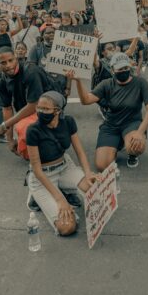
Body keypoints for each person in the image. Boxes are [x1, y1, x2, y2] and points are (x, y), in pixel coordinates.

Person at [26, 91, 97, 236]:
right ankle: (42, 195)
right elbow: (37, 170)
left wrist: (88, 173)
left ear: (58, 110)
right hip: (43, 176)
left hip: (65, 167)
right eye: (39, 108)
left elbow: (80, 151)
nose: (40, 111)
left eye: (46, 109)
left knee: (94, 190)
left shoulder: (68, 122)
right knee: (67, 227)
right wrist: (60, 200)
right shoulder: (33, 130)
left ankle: (62, 190)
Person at [73, 52, 148, 170]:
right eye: (120, 68)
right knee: (102, 166)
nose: (124, 71)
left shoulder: (140, 83)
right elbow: (86, 100)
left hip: (132, 124)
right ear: (112, 70)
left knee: (136, 146)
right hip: (111, 126)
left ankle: (132, 154)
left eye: (126, 67)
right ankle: (117, 144)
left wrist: (140, 132)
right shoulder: (106, 84)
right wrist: (78, 81)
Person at [0, 47, 55, 155]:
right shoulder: (1, 80)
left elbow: (34, 105)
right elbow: (7, 108)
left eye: (11, 60)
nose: (8, 65)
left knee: (26, 129)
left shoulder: (30, 71)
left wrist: (5, 125)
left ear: (16, 59)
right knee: (24, 148)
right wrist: (10, 139)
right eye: (3, 63)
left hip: (50, 105)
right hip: (27, 108)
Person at [28, 26, 70, 97]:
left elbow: (69, 70)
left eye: (53, 33)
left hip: (60, 87)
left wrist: (68, 88)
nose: (51, 34)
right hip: (42, 87)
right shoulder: (36, 48)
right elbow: (31, 69)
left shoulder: (64, 48)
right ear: (42, 35)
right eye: (48, 33)